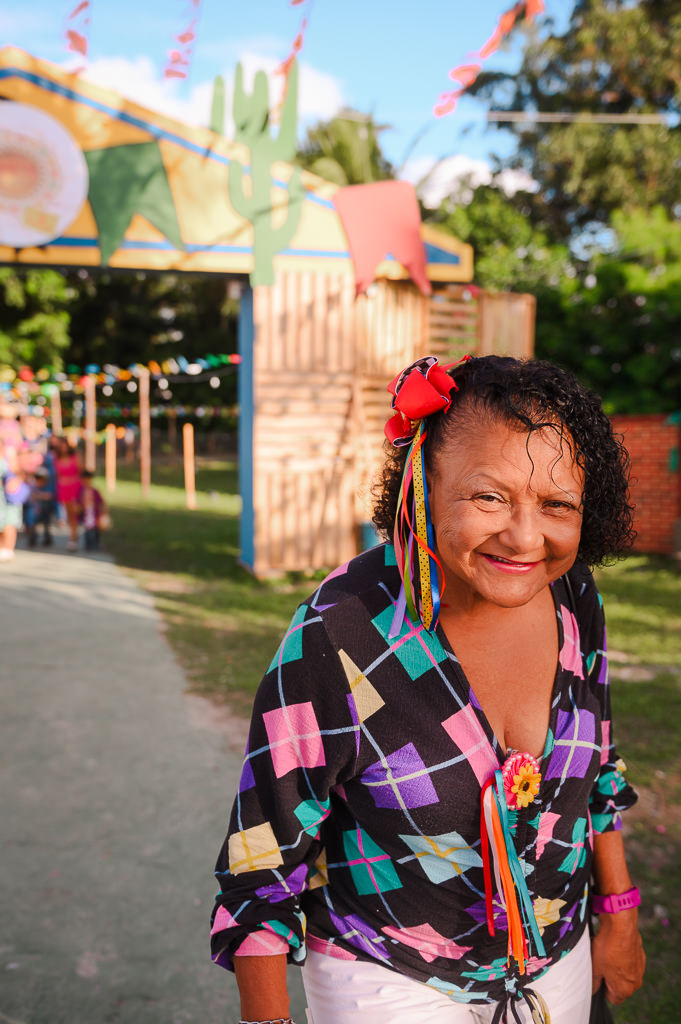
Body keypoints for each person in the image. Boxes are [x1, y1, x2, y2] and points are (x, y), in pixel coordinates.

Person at [210, 355, 645, 1024]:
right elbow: (262, 864)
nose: (525, 537)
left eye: (556, 504)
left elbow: (598, 777)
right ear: (422, 484)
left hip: (561, 959)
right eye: (489, 496)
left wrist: (616, 913)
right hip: (389, 977)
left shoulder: (572, 597)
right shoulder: (338, 636)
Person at [54, 437, 82, 551]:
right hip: (63, 488)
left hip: (74, 488)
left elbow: (80, 471)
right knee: (69, 514)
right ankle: (72, 536)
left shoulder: (75, 457)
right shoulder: (58, 459)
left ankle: (74, 536)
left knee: (74, 513)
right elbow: (58, 475)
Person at [23, 466, 54, 548]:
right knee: (31, 523)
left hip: (44, 510)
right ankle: (32, 538)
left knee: (46, 524)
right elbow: (30, 496)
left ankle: (47, 538)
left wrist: (40, 496)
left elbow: (50, 496)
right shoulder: (32, 486)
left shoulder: (48, 487)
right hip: (34, 509)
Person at [77, 469, 107, 551]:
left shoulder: (94, 491)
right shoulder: (80, 491)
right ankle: (88, 545)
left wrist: (104, 511)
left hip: (95, 514)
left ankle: (96, 544)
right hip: (85, 514)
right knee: (87, 530)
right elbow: (77, 502)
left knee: (96, 530)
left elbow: (101, 502)